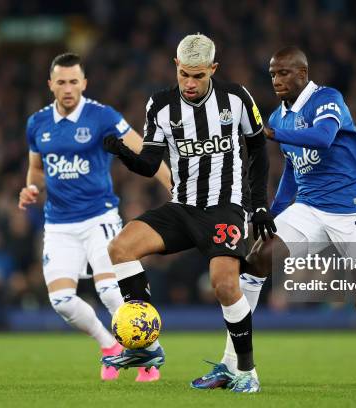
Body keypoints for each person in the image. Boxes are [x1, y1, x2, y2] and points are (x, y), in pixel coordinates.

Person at [196, 46, 356, 392]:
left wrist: (271, 135)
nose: (276, 80)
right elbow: (291, 169)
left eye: (284, 73)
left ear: (303, 74)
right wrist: (274, 213)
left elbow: (323, 138)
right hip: (311, 209)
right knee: (257, 260)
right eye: (272, 74)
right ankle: (233, 364)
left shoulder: (327, 99)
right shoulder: (278, 117)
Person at [100, 34, 276, 393]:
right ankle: (147, 346)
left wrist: (259, 204)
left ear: (213, 69)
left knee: (224, 284)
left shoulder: (237, 98)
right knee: (120, 248)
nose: (191, 83)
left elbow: (258, 150)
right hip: (182, 206)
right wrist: (124, 154)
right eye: (185, 75)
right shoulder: (160, 105)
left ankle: (246, 372)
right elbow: (151, 162)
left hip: (225, 206)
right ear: (175, 67)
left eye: (199, 76)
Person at [18, 52, 171, 382]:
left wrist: (173, 183)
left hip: (98, 218)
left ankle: (148, 353)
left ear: (84, 83)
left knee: (111, 292)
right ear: (51, 85)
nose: (68, 88)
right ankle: (109, 347)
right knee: (61, 301)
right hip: (59, 224)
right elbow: (36, 169)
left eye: (74, 81)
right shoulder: (37, 123)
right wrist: (30, 188)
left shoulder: (102, 116)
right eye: (61, 82)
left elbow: (144, 150)